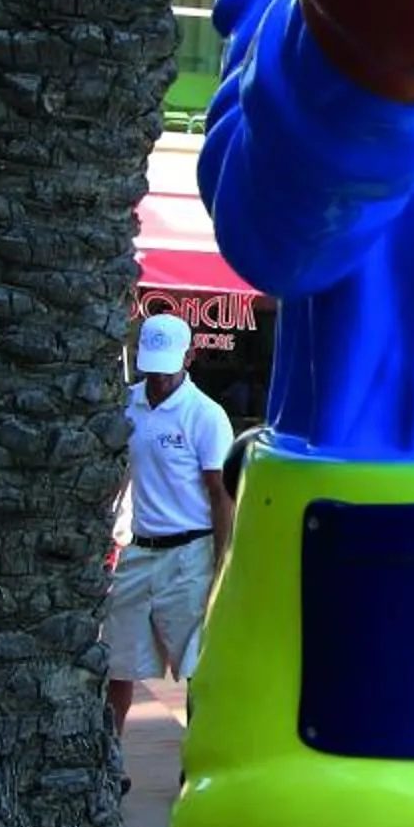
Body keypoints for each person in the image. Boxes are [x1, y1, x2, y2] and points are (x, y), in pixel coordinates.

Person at [105, 313, 235, 736]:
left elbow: (220, 494)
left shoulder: (205, 415)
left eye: (167, 368)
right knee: (116, 662)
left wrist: (222, 562)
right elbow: (118, 470)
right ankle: (108, 759)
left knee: (198, 668)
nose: (158, 379)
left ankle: (196, 764)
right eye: (151, 369)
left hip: (190, 553)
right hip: (140, 548)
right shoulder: (129, 403)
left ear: (189, 357)